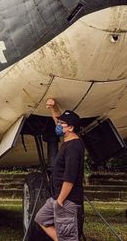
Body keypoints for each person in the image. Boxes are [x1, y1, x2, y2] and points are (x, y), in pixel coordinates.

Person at [35, 98, 85, 241]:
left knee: (68, 237)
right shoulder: (68, 140)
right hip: (57, 198)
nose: (58, 125)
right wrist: (53, 107)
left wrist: (60, 201)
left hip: (66, 200)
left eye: (62, 124)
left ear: (71, 128)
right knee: (41, 218)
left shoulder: (74, 147)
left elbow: (70, 177)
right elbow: (56, 119)